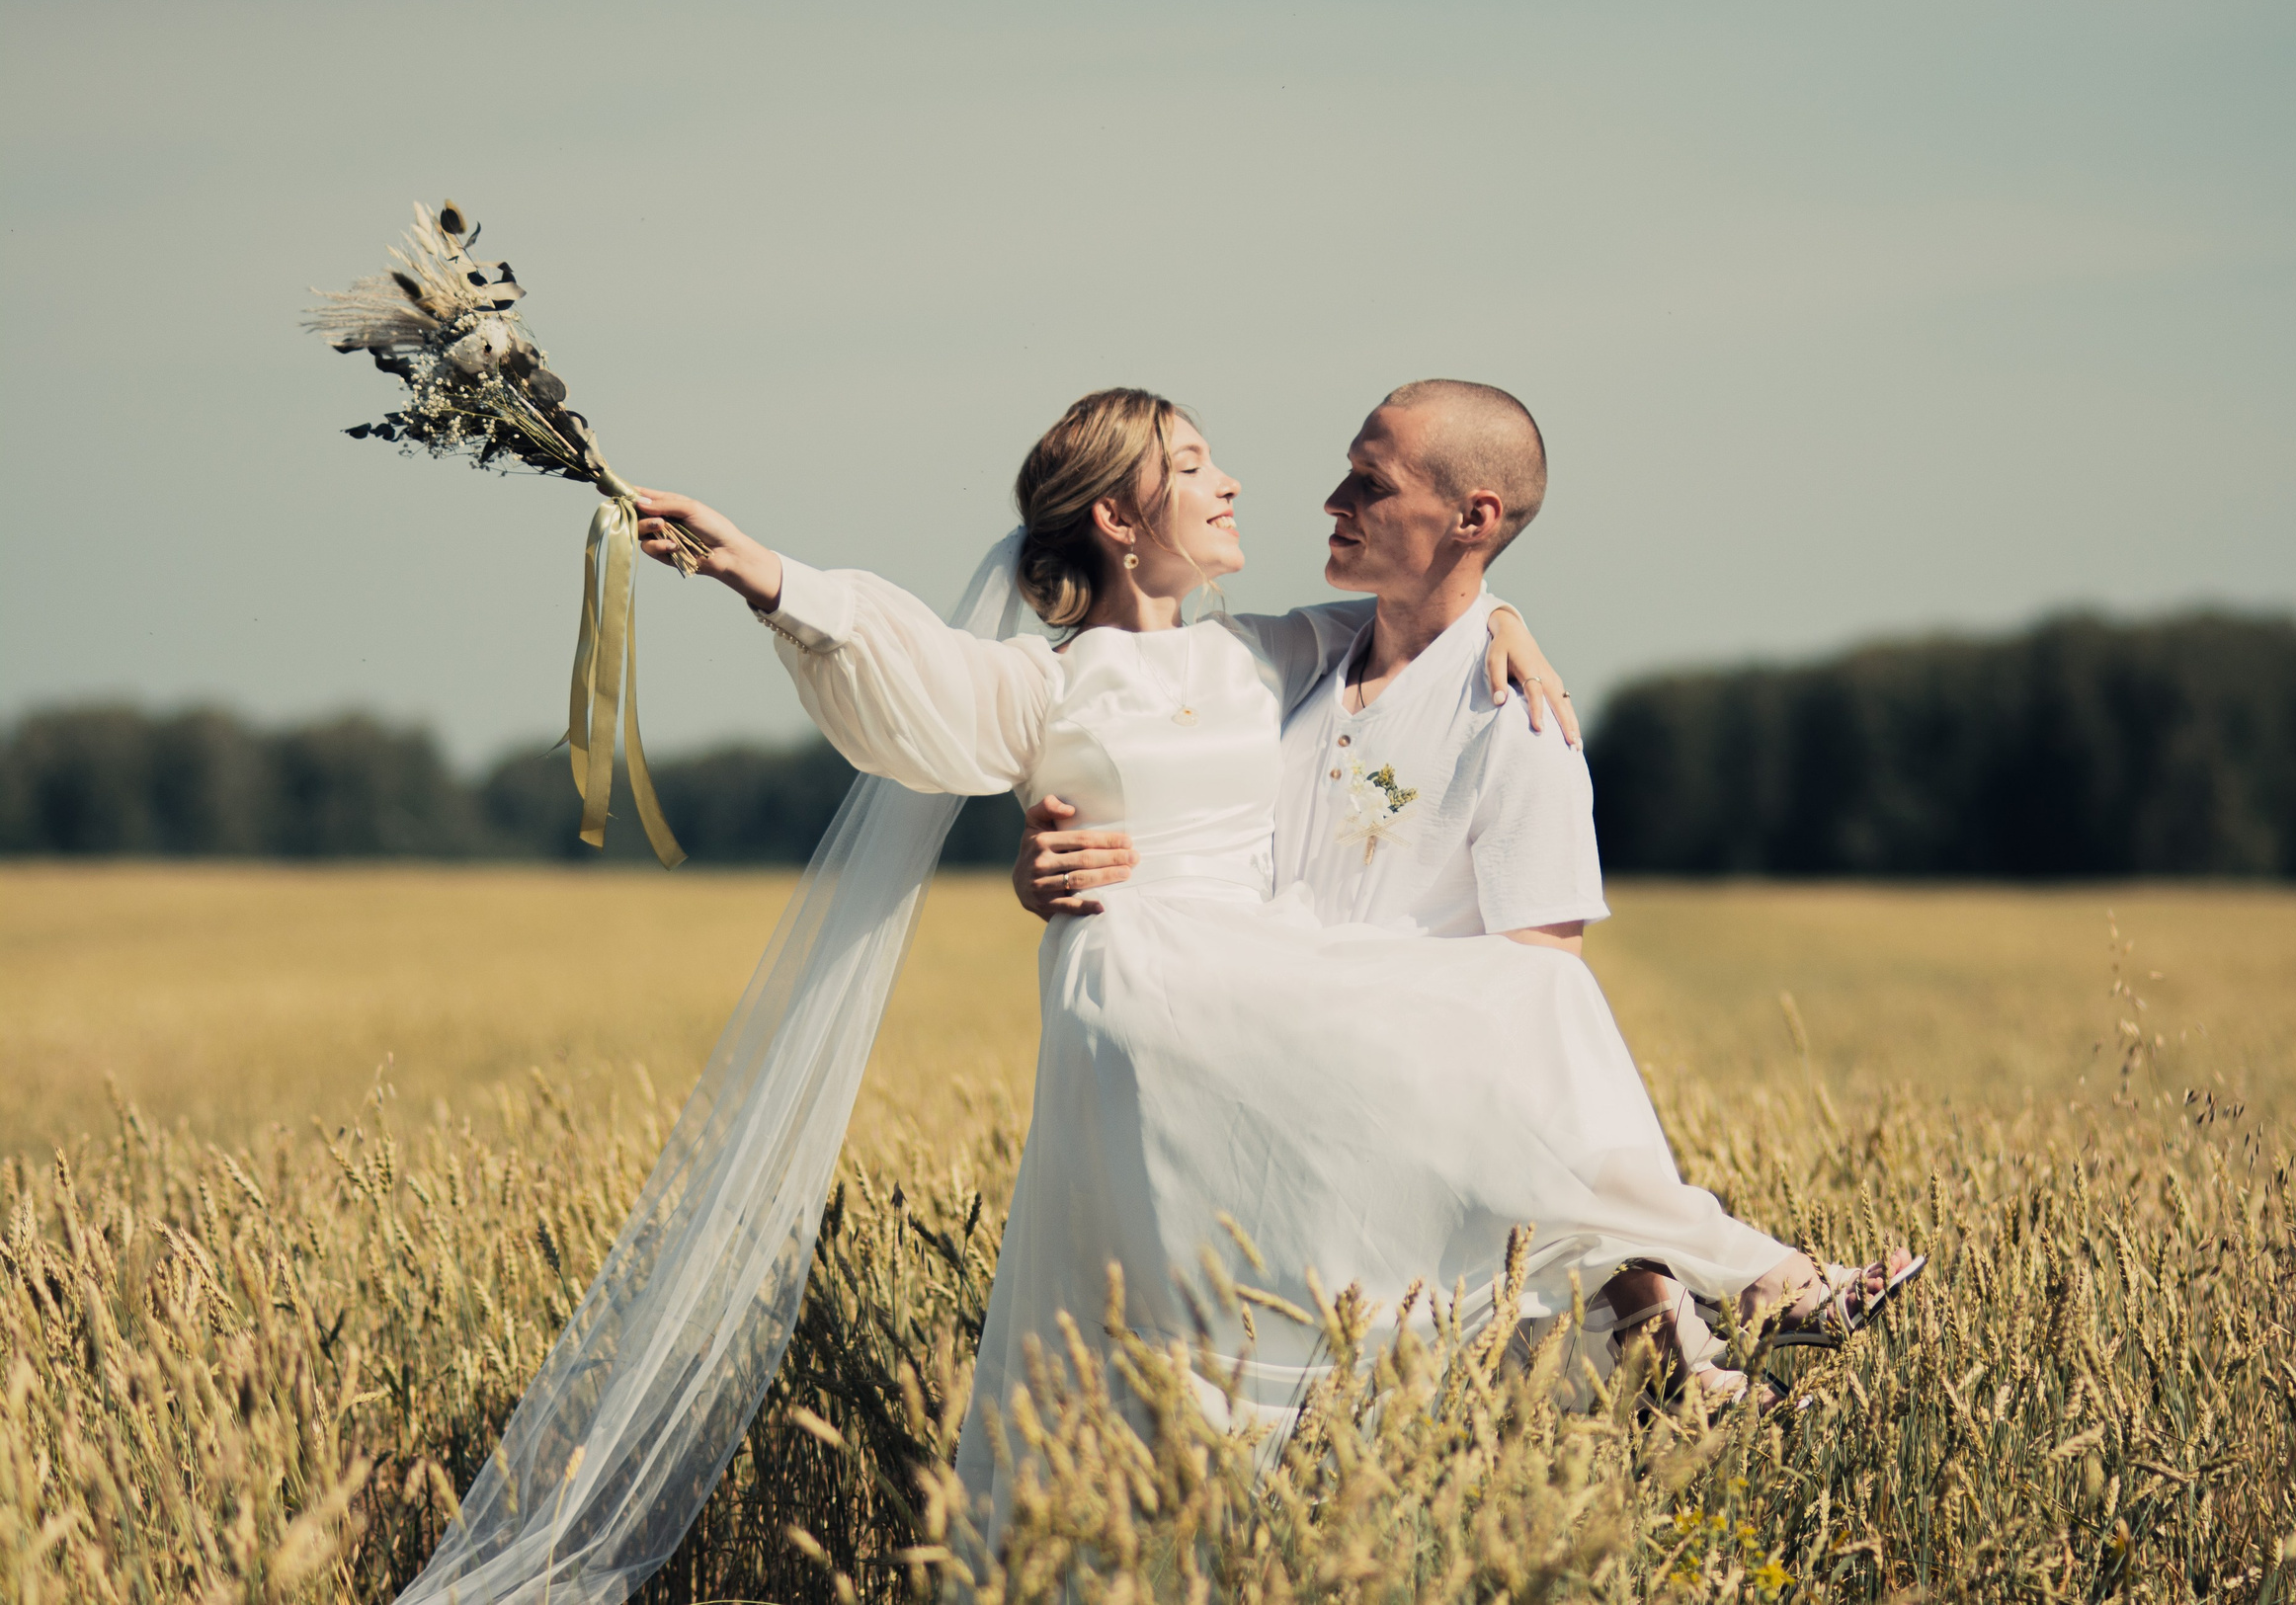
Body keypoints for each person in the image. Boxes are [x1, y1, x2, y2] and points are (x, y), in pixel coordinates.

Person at [634, 386, 1918, 1536]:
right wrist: (759, 570)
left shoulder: (1266, 655)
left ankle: (1682, 1305)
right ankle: (1739, 1284)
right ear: (1119, 522)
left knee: (1507, 1028)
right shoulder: (1052, 682)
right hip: (1144, 985)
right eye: (1194, 465)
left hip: (1260, 976)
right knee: (1524, 1012)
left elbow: (1441, 598)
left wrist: (1506, 610)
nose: (1241, 482)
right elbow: (916, 673)